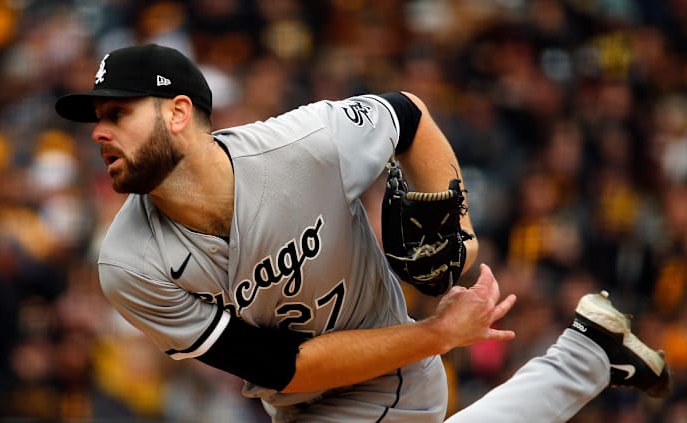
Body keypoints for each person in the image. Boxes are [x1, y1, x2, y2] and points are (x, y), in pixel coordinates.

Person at [55, 44, 670, 422]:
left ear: (178, 113)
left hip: (387, 377)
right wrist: (436, 333)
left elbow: (407, 114)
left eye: (117, 113)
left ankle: (586, 358)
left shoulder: (303, 146)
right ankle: (589, 356)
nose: (98, 132)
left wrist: (461, 238)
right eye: (98, 119)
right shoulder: (130, 264)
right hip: (303, 395)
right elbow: (279, 367)